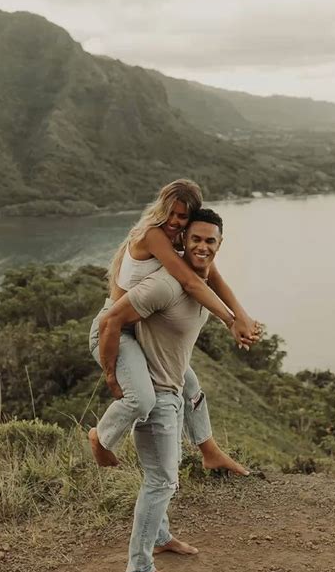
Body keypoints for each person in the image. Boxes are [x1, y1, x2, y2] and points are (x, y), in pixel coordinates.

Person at [88, 179, 262, 474]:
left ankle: (210, 452)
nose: (174, 221)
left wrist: (241, 315)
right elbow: (190, 282)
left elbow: (212, 276)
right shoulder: (154, 235)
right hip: (115, 329)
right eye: (170, 212)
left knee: (191, 387)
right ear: (161, 208)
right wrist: (229, 321)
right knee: (141, 399)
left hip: (143, 330)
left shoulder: (183, 239)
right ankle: (100, 439)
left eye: (182, 216)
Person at [96, 208, 228, 572]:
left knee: (192, 396)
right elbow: (110, 322)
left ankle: (160, 535)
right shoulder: (167, 284)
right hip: (154, 393)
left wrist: (238, 318)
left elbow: (212, 288)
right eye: (195, 239)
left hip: (169, 384)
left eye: (210, 241)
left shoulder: (198, 281)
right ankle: (138, 569)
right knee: (161, 481)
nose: (202, 247)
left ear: (220, 244)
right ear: (182, 241)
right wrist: (109, 374)